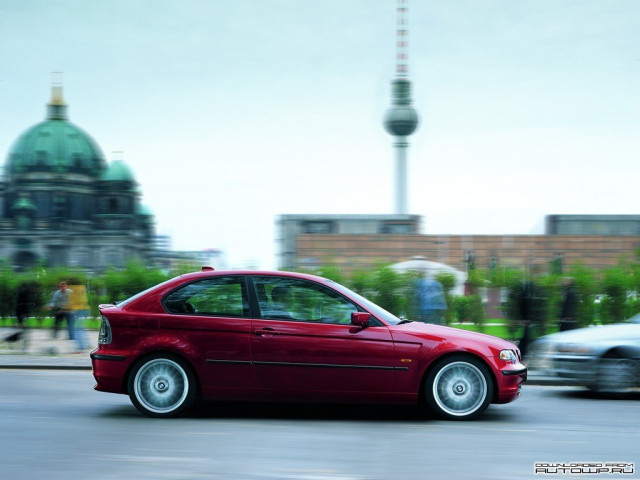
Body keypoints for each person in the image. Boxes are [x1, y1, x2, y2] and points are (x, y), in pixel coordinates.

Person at [68, 281, 90, 352]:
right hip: (85, 309)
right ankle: (87, 344)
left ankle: (81, 347)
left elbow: (72, 301)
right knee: (81, 328)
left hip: (79, 310)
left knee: (78, 329)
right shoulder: (81, 287)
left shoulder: (72, 289)